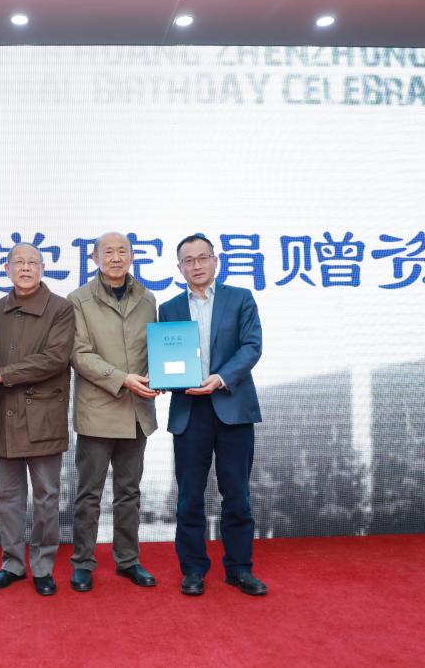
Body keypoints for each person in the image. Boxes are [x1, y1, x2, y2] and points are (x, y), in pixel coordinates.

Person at [158, 234, 267, 597]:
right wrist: (164, 378)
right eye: (188, 260)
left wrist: (220, 378)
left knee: (236, 494)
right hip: (190, 410)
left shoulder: (241, 298)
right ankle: (193, 569)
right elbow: (166, 355)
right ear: (179, 268)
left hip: (232, 406)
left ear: (216, 261)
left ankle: (239, 568)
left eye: (203, 257)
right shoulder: (169, 308)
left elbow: (251, 346)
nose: (197, 265)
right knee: (189, 497)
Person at [0, 243, 75, 596]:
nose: (26, 268)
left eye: (33, 262)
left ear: (43, 268)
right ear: (7, 269)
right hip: (4, 415)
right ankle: (12, 564)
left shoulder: (61, 308)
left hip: (43, 417)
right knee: (8, 497)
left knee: (47, 496)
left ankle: (44, 566)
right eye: (19, 262)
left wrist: (4, 373)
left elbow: (56, 358)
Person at [66, 232, 159, 592]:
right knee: (89, 494)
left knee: (129, 492)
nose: (116, 257)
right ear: (94, 258)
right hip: (98, 411)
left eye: (123, 251)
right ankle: (82, 562)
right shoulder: (79, 300)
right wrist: (122, 379)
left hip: (136, 411)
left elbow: (153, 349)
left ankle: (128, 560)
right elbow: (79, 354)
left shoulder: (147, 299)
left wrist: (160, 376)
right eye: (108, 251)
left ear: (133, 256)